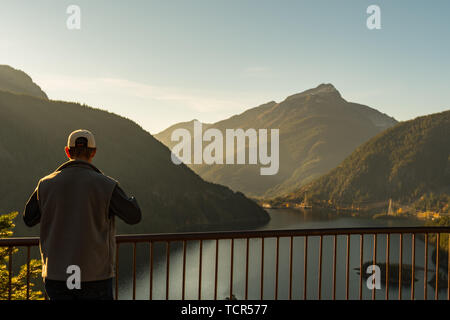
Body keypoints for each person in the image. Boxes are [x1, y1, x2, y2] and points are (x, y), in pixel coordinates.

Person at [23, 129, 142, 300]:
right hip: (95, 277)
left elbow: (29, 218)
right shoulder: (106, 185)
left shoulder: (45, 184)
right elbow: (134, 216)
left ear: (67, 151)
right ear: (94, 152)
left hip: (56, 276)